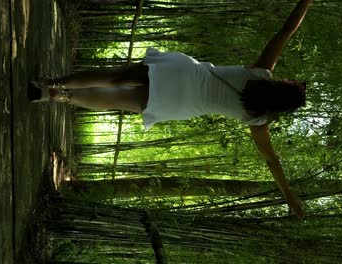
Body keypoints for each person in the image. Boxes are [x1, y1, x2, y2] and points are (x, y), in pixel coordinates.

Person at [29, 0, 313, 219]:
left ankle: (53, 83)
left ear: (282, 85)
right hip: (182, 103)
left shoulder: (261, 74)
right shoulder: (258, 119)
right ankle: (58, 97)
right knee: (116, 99)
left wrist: (306, 2)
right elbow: (272, 161)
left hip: (186, 74)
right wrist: (289, 196)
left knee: (115, 76)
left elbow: (286, 31)